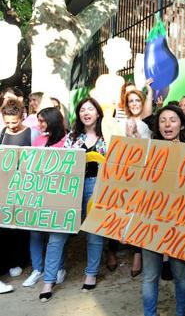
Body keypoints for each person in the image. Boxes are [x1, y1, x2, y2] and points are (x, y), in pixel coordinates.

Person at [142, 105, 185, 316]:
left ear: (181, 124)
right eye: (163, 120)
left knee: (181, 274)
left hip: (180, 223)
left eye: (172, 120)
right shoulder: (147, 151)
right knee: (150, 275)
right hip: (150, 221)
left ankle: (181, 313)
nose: (167, 124)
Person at [60, 97, 107, 296]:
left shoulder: (108, 135)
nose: (86, 112)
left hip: (97, 185)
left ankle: (91, 273)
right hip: (73, 184)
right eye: (82, 110)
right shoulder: (72, 136)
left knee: (93, 230)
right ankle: (57, 269)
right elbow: (63, 159)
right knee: (62, 226)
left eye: (90, 109)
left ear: (98, 113)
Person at [22, 107, 68, 292]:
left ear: (53, 121)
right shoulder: (39, 140)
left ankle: (60, 267)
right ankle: (37, 269)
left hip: (58, 193)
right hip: (39, 193)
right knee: (36, 232)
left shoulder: (66, 141)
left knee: (57, 231)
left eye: (42, 121)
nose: (39, 124)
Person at [107, 89, 151, 276]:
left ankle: (138, 255)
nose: (134, 103)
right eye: (130, 100)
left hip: (142, 175)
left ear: (142, 102)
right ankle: (111, 251)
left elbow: (148, 151)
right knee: (118, 213)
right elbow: (116, 150)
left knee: (139, 214)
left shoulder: (149, 125)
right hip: (123, 175)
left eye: (137, 100)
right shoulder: (119, 125)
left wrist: (136, 137)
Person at [0, 99, 34, 293]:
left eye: (14, 122)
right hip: (5, 187)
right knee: (5, 225)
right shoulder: (3, 133)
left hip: (24, 187)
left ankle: (19, 260)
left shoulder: (30, 132)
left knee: (20, 226)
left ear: (22, 116)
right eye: (7, 122)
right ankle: (7, 261)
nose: (11, 126)